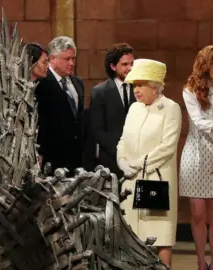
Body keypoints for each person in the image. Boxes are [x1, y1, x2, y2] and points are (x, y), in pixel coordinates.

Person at [116, 59, 182, 268]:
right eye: (134, 85)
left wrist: (139, 164)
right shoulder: (134, 108)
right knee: (132, 235)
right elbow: (123, 140)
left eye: (141, 85)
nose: (136, 90)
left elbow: (167, 146)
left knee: (159, 235)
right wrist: (122, 160)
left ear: (155, 86)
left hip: (156, 180)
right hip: (131, 181)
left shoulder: (170, 108)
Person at [178, 45, 213, 270]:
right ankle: (201, 262)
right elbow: (200, 123)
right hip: (195, 154)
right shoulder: (190, 90)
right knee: (198, 213)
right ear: (204, 64)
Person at [35, 36, 85, 176]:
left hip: (76, 158)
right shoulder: (41, 83)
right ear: (52, 59)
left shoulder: (78, 83)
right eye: (67, 59)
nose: (71, 63)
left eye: (73, 59)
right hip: (52, 157)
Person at [89, 43, 135, 177]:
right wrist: (121, 153)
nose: (130, 68)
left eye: (132, 64)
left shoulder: (140, 90)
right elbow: (98, 130)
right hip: (110, 161)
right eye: (125, 64)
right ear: (113, 66)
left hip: (136, 161)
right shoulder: (99, 92)